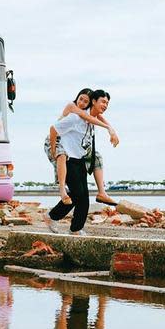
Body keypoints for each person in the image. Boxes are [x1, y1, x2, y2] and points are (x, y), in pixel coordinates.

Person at [45, 88, 119, 205]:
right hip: (56, 138)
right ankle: (62, 190)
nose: (82, 103)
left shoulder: (86, 112)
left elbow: (98, 116)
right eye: (80, 99)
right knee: (62, 156)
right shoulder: (73, 107)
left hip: (71, 143)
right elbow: (89, 117)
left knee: (97, 157)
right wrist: (108, 129)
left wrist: (112, 129)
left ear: (90, 103)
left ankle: (102, 192)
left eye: (85, 102)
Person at [47, 106, 91, 234]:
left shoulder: (90, 120)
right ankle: (52, 216)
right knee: (77, 193)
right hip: (68, 156)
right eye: (102, 102)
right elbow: (53, 129)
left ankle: (76, 228)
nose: (105, 106)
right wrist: (54, 149)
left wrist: (110, 129)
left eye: (107, 103)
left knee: (84, 196)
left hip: (79, 156)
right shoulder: (75, 117)